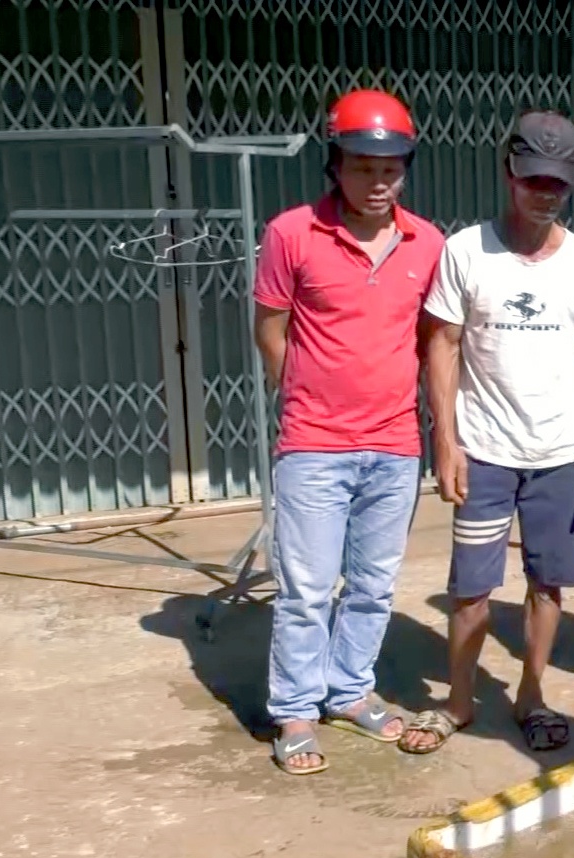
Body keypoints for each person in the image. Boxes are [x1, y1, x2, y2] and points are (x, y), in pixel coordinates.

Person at [403, 108, 574, 755]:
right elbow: (439, 344)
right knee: (470, 585)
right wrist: (444, 438)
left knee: (547, 581)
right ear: (508, 172)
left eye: (556, 182)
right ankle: (460, 701)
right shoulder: (466, 251)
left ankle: (530, 692)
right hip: (485, 451)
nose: (544, 193)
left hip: (562, 453)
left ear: (572, 182)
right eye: (532, 180)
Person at [251, 89, 445, 775]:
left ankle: (350, 689)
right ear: (334, 164)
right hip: (314, 443)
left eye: (390, 167)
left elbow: (430, 341)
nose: (378, 180)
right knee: (305, 586)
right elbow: (270, 327)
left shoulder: (428, 243)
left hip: (394, 446)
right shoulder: (290, 233)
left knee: (372, 583)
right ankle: (296, 709)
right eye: (362, 166)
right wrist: (302, 388)